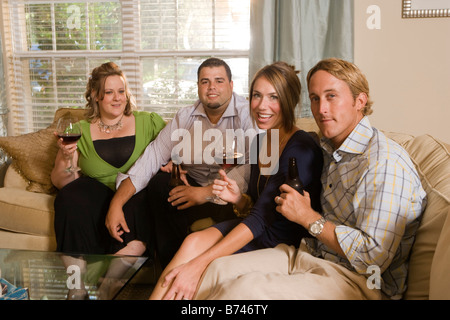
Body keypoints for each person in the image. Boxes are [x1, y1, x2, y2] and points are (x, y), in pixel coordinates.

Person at [193, 58, 427, 300]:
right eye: (315, 98)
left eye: (331, 96)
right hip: (311, 254)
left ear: (360, 101)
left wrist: (309, 218)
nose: (321, 109)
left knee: (242, 292)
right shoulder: (327, 148)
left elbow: (371, 256)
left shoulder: (384, 163)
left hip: (360, 280)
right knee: (215, 270)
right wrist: (240, 201)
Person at [149, 61, 324, 300]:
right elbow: (259, 205)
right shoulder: (263, 141)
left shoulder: (300, 148)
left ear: (290, 100)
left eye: (274, 97)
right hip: (257, 227)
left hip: (279, 241)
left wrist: (198, 265)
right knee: (192, 241)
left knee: (195, 270)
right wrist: (238, 199)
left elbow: (263, 219)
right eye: (257, 96)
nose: (262, 106)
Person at [105, 58, 256, 267]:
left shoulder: (247, 115)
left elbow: (251, 167)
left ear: (231, 85)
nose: (212, 87)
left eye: (219, 81)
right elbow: (152, 156)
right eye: (205, 81)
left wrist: (204, 194)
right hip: (193, 187)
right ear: (198, 87)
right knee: (159, 184)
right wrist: (116, 203)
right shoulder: (185, 117)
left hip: (232, 194)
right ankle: (170, 265)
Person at [51, 62, 165, 256]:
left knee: (140, 200)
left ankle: (108, 282)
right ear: (95, 95)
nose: (117, 98)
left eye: (121, 91)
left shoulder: (149, 122)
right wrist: (66, 155)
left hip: (136, 194)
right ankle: (76, 281)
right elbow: (62, 182)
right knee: (68, 197)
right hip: (98, 195)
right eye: (109, 92)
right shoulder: (82, 130)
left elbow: (173, 153)